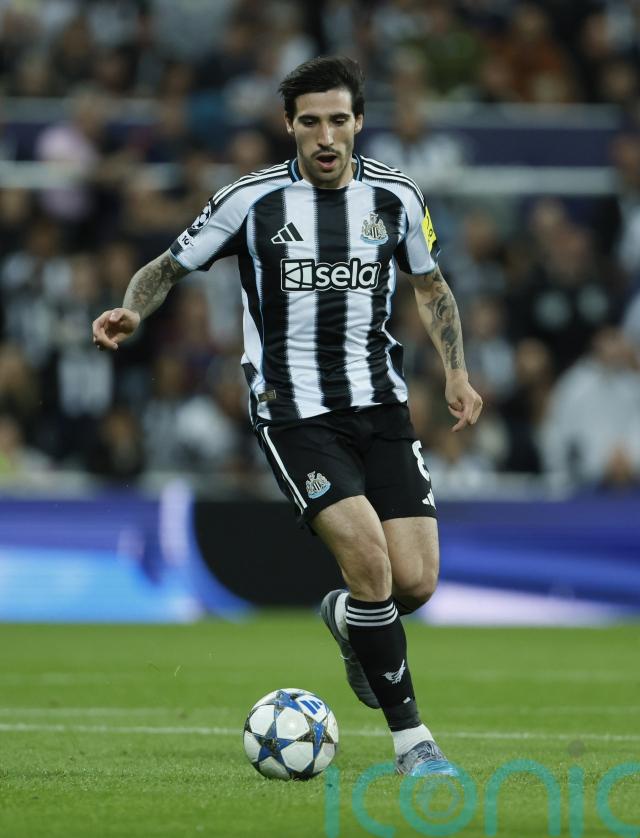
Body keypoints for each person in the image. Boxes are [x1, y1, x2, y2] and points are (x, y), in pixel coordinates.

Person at [92, 56, 483, 777]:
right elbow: (166, 266)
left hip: (382, 407)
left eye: (338, 120)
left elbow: (430, 287)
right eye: (310, 122)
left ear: (358, 122)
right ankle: (414, 744)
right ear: (289, 126)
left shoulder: (396, 196)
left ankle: (347, 617)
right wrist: (131, 309)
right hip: (295, 414)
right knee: (370, 564)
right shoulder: (250, 200)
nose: (326, 136)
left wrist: (456, 371)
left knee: (415, 582)